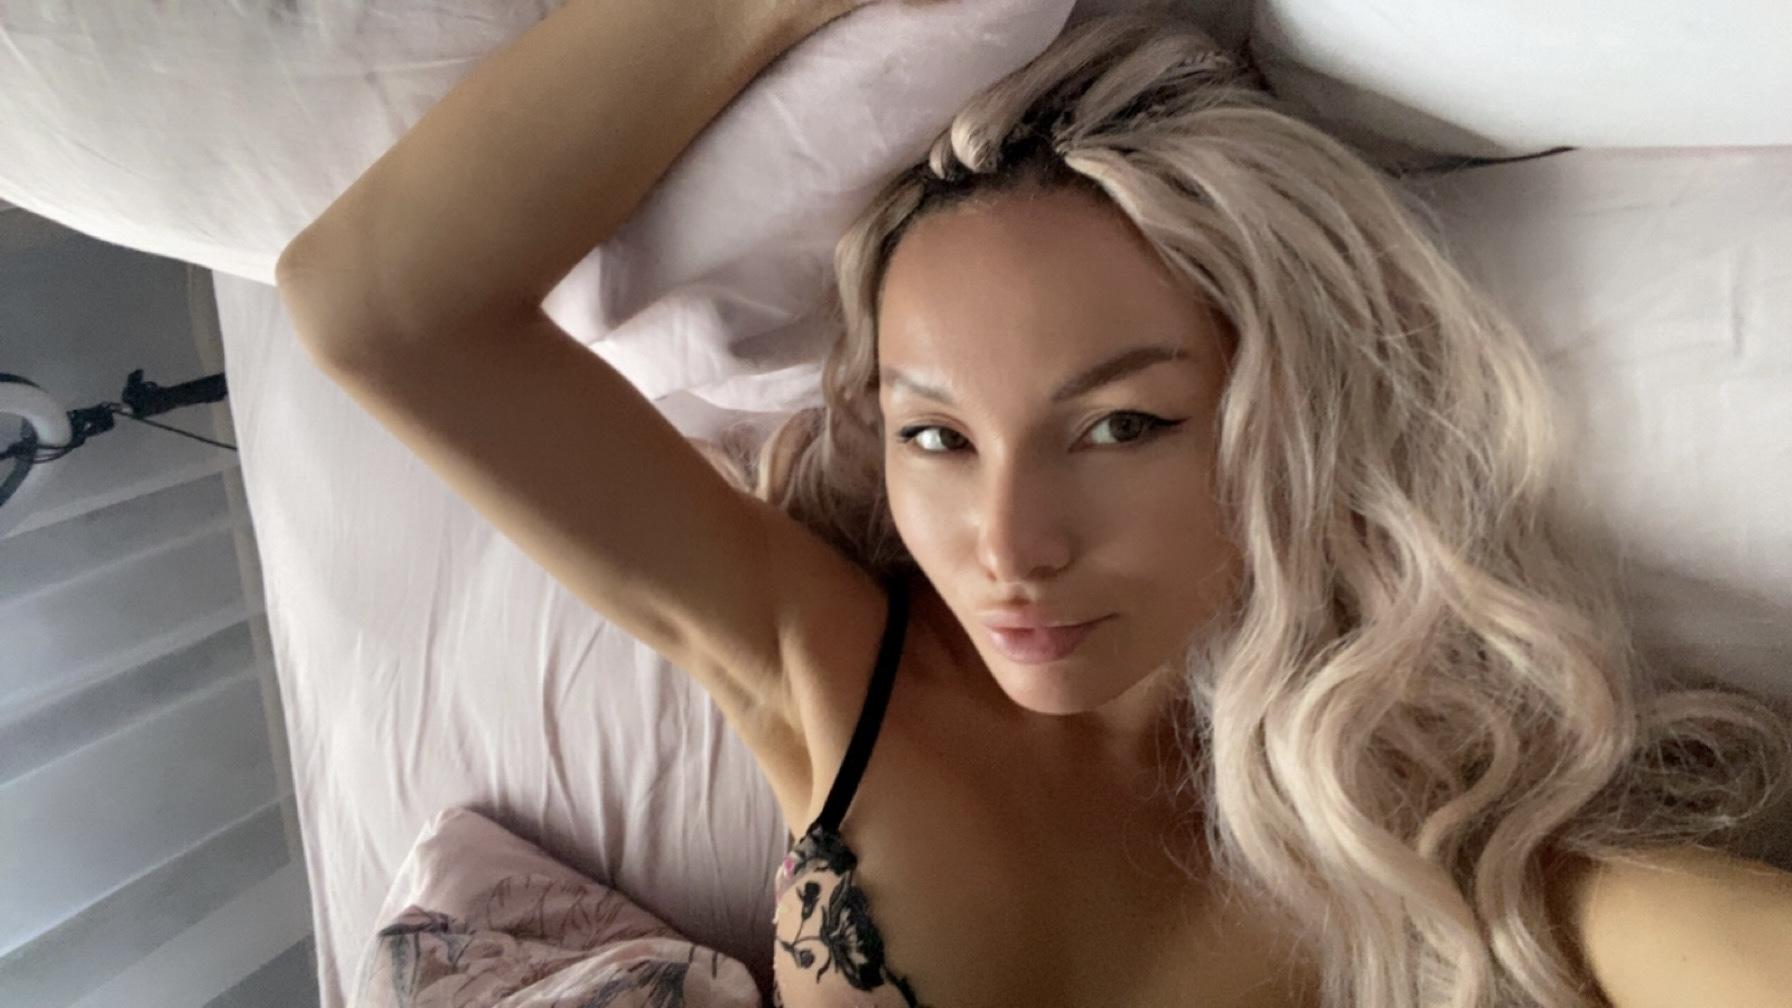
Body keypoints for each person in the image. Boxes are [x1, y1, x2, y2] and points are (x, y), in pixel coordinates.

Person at [275, 2, 1792, 1006]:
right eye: (937, 437)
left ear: (1283, 421)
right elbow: (372, 311)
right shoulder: (836, 671)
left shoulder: (1439, 816)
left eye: (1121, 425)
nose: (1008, 547)